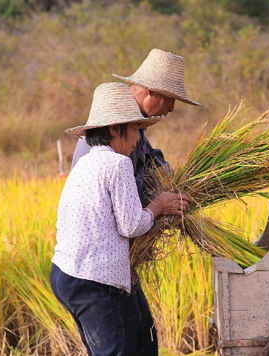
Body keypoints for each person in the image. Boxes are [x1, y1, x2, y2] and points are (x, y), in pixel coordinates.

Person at [69, 49, 201, 356]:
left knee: (143, 338)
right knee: (119, 347)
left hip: (116, 262)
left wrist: (176, 184)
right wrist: (159, 207)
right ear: (153, 93)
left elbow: (153, 162)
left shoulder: (133, 132)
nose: (170, 110)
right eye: (171, 100)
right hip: (97, 264)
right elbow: (121, 220)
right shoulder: (110, 141)